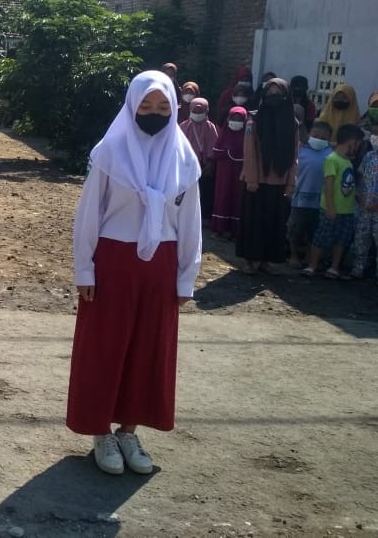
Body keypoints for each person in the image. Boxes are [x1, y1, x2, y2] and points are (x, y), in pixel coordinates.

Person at [68, 70, 201, 476]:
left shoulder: (183, 159)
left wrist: (185, 278)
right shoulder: (110, 153)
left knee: (148, 351)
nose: (154, 113)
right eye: (146, 105)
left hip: (160, 265)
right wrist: (84, 270)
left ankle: (129, 430)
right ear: (131, 105)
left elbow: (191, 222)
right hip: (112, 262)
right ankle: (101, 432)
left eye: (163, 106)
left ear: (174, 109)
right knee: (105, 349)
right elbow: (89, 214)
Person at [237, 79, 299, 274]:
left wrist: (290, 183)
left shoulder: (292, 123)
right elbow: (249, 151)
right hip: (256, 181)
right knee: (252, 221)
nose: (273, 96)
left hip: (278, 181)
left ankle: (266, 260)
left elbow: (294, 155)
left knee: (273, 223)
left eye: (278, 93)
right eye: (269, 92)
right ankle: (250, 260)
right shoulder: (254, 119)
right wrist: (253, 179)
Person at [304, 124, 361, 280]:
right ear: (352, 142)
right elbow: (328, 185)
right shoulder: (331, 159)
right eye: (357, 144)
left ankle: (334, 267)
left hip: (347, 210)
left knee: (340, 240)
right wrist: (330, 207)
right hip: (331, 208)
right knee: (321, 238)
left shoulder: (348, 162)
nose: (357, 148)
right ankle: (312, 265)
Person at [350, 116, 378, 287]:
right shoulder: (369, 156)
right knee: (361, 238)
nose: (373, 137)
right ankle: (357, 269)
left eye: (377, 133)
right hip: (364, 208)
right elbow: (360, 176)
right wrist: (360, 196)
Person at [287, 121, 333, 268]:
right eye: (315, 135)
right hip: (299, 199)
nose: (319, 139)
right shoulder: (300, 150)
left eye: (323, 137)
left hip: (320, 201)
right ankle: (293, 255)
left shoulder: (331, 154)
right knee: (295, 229)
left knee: (314, 231)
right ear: (309, 135)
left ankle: (309, 256)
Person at [179, 97, 218, 223]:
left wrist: (210, 163)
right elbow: (178, 147)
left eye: (200, 111)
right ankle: (186, 216)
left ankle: (204, 217)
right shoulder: (183, 126)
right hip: (188, 166)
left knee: (205, 192)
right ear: (189, 110)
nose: (197, 114)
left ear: (206, 111)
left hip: (205, 166)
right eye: (194, 111)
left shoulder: (210, 127)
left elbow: (214, 145)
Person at [210, 106, 247, 239]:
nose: (236, 121)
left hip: (240, 172)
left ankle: (234, 229)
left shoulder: (247, 137)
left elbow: (249, 153)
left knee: (238, 197)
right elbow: (216, 152)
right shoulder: (224, 134)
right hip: (224, 171)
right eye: (233, 118)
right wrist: (228, 151)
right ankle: (219, 227)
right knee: (223, 195)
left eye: (239, 119)